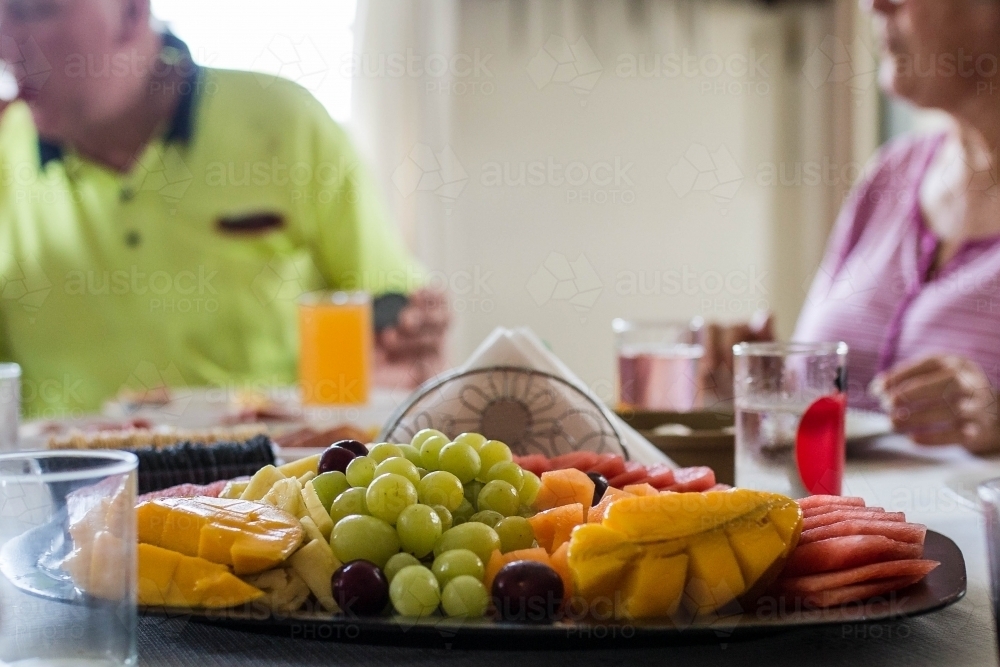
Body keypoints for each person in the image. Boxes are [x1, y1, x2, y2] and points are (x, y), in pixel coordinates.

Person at [0, 0, 448, 417]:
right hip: (66, 490)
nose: (4, 40)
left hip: (266, 483)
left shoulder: (286, 122)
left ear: (133, 12)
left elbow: (389, 309)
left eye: (30, 11)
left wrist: (407, 333)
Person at [705, 0, 1000, 453]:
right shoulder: (891, 174)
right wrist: (758, 389)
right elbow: (826, 411)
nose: (873, 4)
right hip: (827, 520)